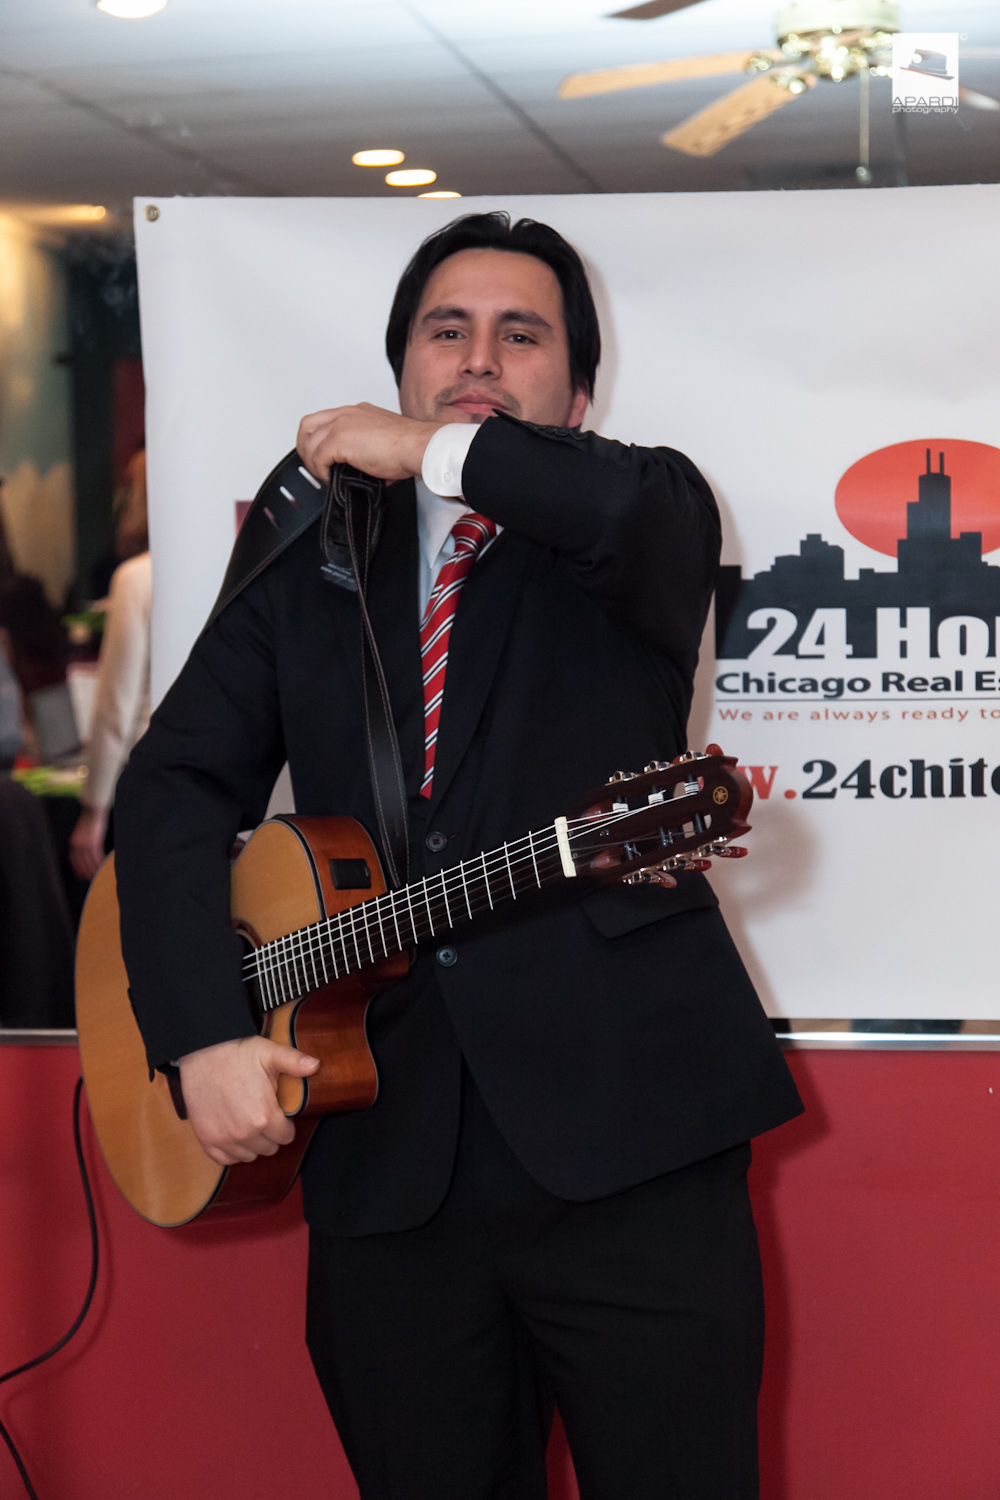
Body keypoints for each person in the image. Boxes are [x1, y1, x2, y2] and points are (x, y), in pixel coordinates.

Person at [115, 212, 803, 1500]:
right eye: (447, 331)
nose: (478, 356)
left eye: (519, 335)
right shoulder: (310, 562)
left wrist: (430, 450)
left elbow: (614, 497)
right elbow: (172, 789)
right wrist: (200, 1033)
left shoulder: (641, 517)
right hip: (384, 1159)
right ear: (401, 366)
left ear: (578, 395)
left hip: (633, 1145)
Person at [70, 453, 152, 882]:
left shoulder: (135, 579)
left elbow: (116, 706)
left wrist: (93, 810)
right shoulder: (233, 566)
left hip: (146, 776)